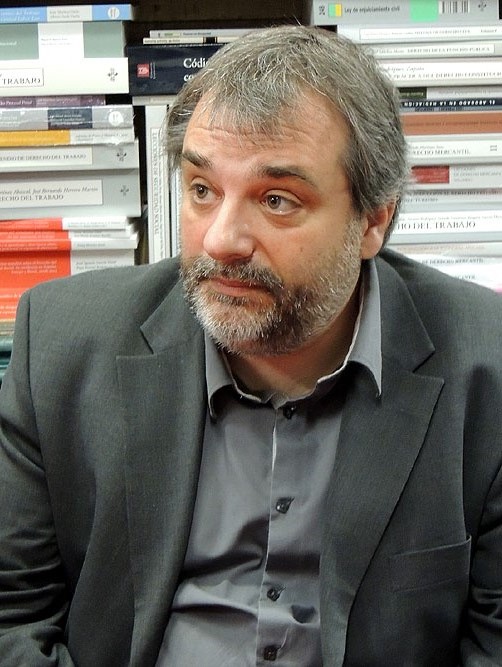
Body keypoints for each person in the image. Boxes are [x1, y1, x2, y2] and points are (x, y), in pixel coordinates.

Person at [0, 24, 501, 667]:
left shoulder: (485, 368)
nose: (221, 240)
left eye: (277, 199)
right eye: (202, 190)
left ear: (373, 220)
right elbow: (12, 618)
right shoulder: (62, 345)